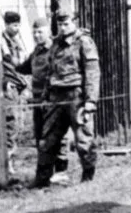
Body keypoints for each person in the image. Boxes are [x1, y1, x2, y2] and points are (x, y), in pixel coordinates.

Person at [34, 10, 101, 187]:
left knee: (83, 139)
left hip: (76, 97)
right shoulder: (55, 44)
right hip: (56, 98)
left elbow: (92, 73)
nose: (63, 28)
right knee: (48, 140)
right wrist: (45, 97)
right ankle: (42, 180)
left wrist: (90, 101)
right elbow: (50, 72)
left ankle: (88, 177)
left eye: (66, 24)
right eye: (60, 24)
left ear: (74, 22)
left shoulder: (84, 42)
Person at [0, 11, 27, 162]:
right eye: (14, 25)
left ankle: (10, 153)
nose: (17, 28)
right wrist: (5, 82)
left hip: (18, 84)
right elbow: (0, 65)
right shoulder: (0, 43)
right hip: (8, 85)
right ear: (6, 25)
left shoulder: (16, 41)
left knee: (18, 122)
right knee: (10, 121)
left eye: (18, 25)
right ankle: (4, 157)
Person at [15, 18, 54, 178]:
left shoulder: (54, 50)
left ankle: (60, 171)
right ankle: (44, 172)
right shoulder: (37, 51)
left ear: (48, 32)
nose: (37, 35)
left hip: (51, 99)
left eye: (40, 32)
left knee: (53, 136)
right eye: (34, 32)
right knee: (39, 135)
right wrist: (10, 61)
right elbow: (25, 67)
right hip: (37, 99)